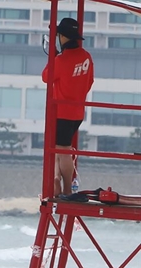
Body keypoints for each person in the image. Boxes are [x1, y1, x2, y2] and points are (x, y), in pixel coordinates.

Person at [42, 17, 94, 197]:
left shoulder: (61, 60)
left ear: (63, 37)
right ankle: (57, 180)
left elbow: (46, 77)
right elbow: (90, 82)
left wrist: (53, 57)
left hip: (61, 111)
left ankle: (65, 189)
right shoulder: (86, 56)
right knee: (58, 147)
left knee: (62, 150)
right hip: (78, 111)